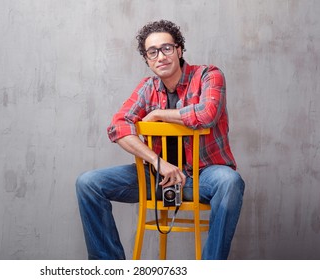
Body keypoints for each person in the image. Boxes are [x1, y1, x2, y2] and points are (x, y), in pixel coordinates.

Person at [76, 20, 245, 260]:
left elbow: (207, 114)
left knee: (230, 181)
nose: (160, 57)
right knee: (88, 183)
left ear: (179, 50)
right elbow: (117, 126)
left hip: (202, 176)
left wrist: (158, 114)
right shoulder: (148, 87)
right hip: (158, 178)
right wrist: (158, 163)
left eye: (166, 48)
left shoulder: (209, 75)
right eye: (152, 52)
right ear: (147, 59)